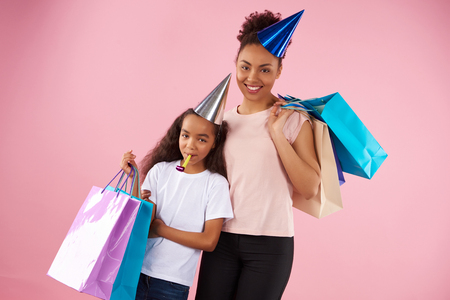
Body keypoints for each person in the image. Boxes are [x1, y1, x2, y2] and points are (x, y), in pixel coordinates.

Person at [195, 10, 321, 300]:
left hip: (271, 245)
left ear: (278, 71)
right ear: (236, 65)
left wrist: (276, 134)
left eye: (265, 69)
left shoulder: (294, 121)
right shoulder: (221, 123)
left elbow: (309, 188)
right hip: (221, 239)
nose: (252, 78)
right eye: (245, 67)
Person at [120, 76, 234, 300]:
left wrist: (161, 230)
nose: (190, 145)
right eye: (185, 135)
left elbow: (209, 241)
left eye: (202, 140)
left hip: (173, 282)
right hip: (136, 270)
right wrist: (134, 178)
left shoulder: (215, 184)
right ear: (178, 135)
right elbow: (143, 219)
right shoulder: (160, 171)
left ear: (214, 143)